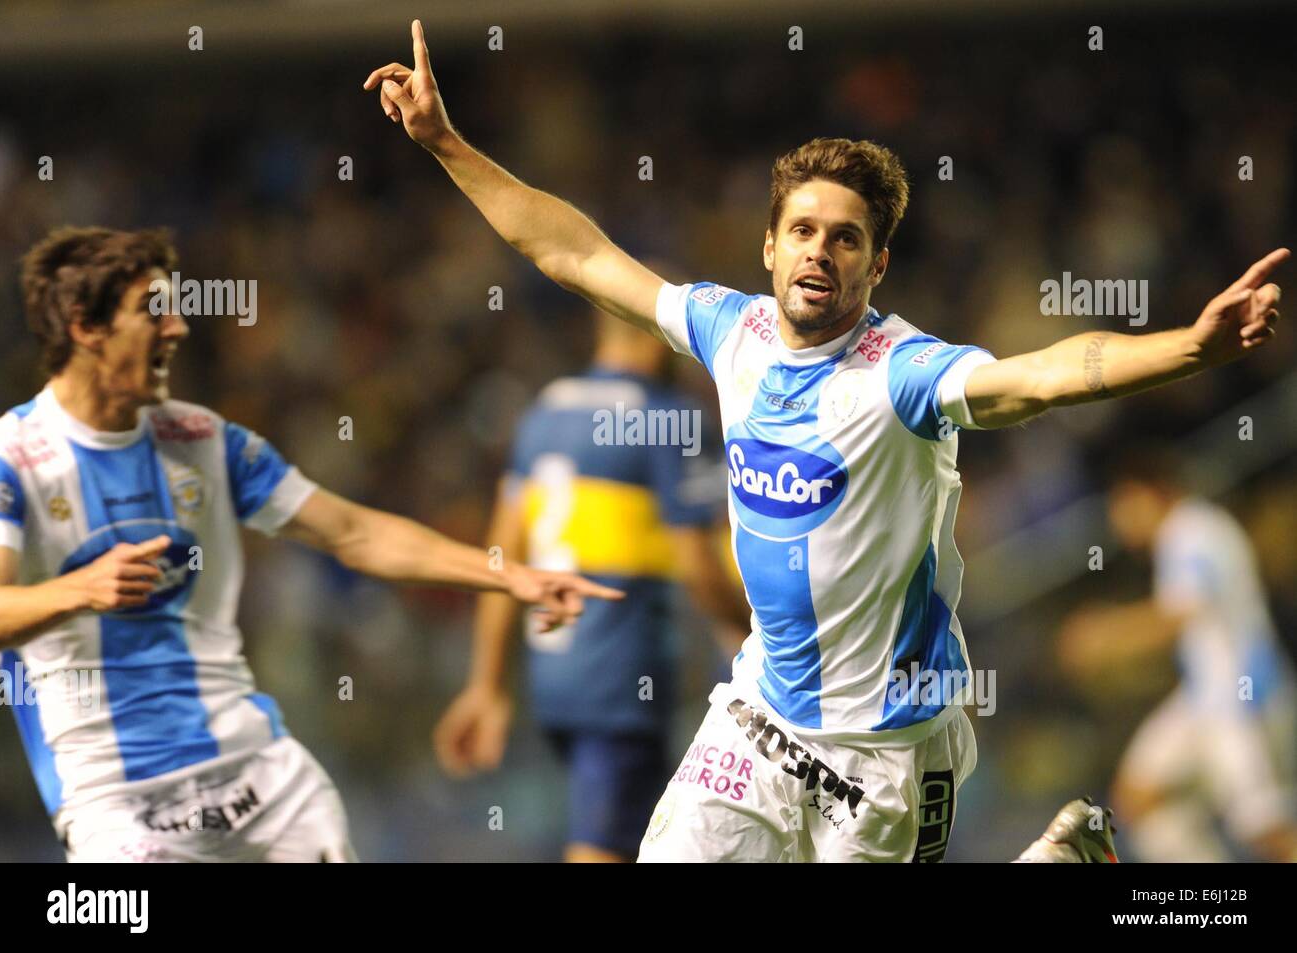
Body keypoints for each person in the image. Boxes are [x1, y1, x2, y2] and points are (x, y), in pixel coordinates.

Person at [363, 21, 1284, 861]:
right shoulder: (732, 332)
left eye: (846, 240)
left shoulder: (905, 372)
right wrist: (446, 143)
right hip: (760, 719)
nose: (819, 251)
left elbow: (1041, 376)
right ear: (768, 246)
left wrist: (1191, 349)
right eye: (802, 230)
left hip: (890, 752)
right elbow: (573, 252)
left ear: (876, 265)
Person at [0, 226, 620, 862]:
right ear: (85, 326)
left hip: (260, 777)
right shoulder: (13, 459)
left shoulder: (204, 441)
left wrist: (506, 574)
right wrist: (79, 589)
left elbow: (355, 532)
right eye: (153, 312)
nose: (179, 327)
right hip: (117, 800)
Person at [433, 308, 749, 862]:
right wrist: (759, 641)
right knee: (604, 847)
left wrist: (487, 684)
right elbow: (698, 566)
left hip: (554, 673)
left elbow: (501, 558)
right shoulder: (667, 416)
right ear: (663, 342)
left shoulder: (545, 410)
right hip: (624, 673)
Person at [1059, 448, 1297, 862]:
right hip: (1204, 696)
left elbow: (1179, 614)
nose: (1119, 520)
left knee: (1267, 831)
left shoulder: (1191, 530)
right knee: (1139, 796)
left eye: (1122, 505)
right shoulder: (1188, 534)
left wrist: (1107, 635)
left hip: (1241, 697)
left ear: (1148, 493)